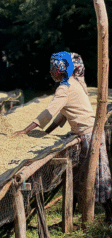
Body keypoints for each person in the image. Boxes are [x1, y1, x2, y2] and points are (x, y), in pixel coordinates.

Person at [14, 52, 112, 223]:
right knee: (81, 175)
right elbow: (63, 114)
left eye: (53, 68)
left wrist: (26, 130)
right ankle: (72, 216)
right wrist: (46, 133)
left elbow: (49, 111)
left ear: (61, 69)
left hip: (88, 134)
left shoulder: (65, 88)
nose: (51, 72)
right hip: (89, 132)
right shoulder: (74, 83)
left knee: (97, 175)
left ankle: (109, 215)